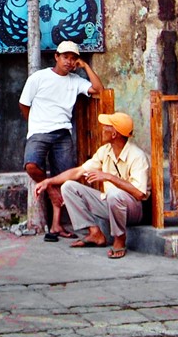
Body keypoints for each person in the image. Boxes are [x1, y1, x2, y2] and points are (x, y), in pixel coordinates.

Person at [19, 40, 104, 240]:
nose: (69, 61)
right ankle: (50, 190)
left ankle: (56, 225)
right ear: (56, 57)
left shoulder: (75, 81)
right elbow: (24, 104)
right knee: (31, 165)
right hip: (39, 131)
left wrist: (86, 66)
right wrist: (34, 124)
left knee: (65, 178)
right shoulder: (39, 77)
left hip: (63, 133)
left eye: (73, 58)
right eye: (65, 57)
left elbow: (98, 89)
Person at [34, 111, 149, 259]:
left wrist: (109, 177)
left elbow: (140, 194)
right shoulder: (105, 151)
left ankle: (120, 239)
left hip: (134, 210)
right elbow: (78, 172)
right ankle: (95, 232)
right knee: (68, 187)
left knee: (115, 194)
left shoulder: (137, 156)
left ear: (114, 134)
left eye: (106, 127)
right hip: (110, 202)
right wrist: (48, 181)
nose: (101, 129)